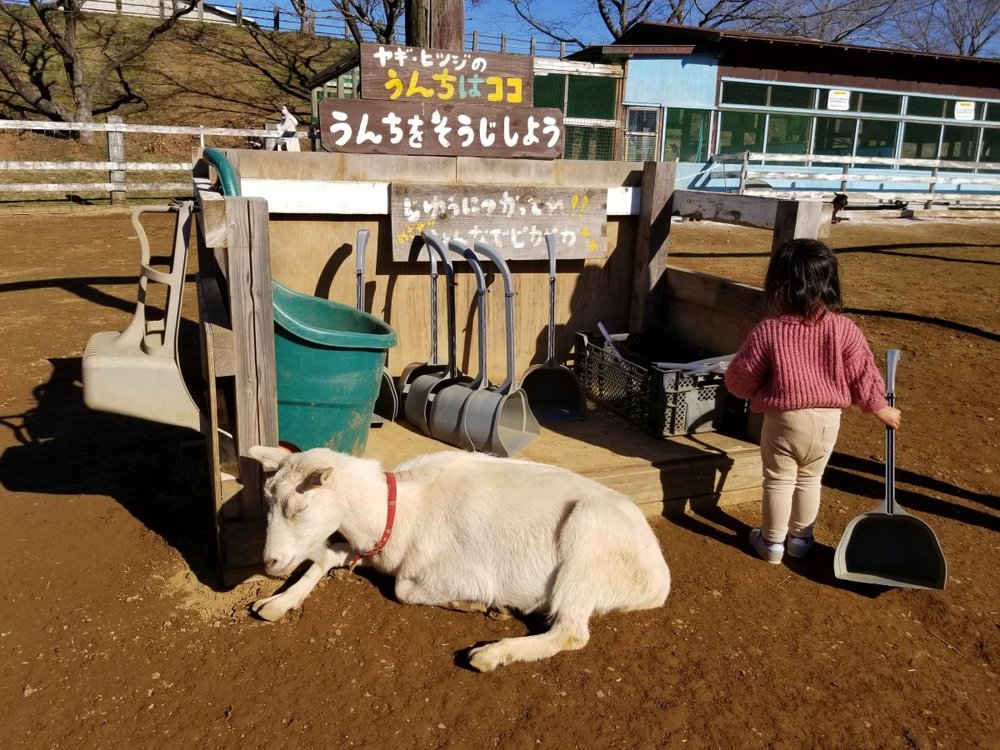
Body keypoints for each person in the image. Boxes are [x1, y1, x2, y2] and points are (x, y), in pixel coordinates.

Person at [724, 238, 902, 564]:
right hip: (827, 421)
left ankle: (772, 543)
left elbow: (740, 380)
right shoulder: (844, 329)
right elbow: (862, 373)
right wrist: (880, 407)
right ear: (831, 282)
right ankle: (801, 541)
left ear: (779, 284)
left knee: (778, 481)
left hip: (785, 420)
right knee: (811, 479)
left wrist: (749, 387)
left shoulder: (770, 331)